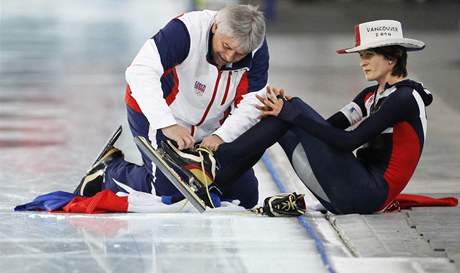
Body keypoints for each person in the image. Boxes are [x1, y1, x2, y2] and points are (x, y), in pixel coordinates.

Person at [165, 19, 433, 214]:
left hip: (366, 195)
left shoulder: (404, 98)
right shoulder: (371, 95)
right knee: (285, 112)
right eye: (361, 55)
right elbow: (325, 129)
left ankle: (215, 166)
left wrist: (293, 112)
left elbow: (348, 142)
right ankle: (214, 182)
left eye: (369, 55)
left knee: (291, 112)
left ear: (392, 58)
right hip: (351, 188)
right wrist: (287, 108)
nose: (362, 62)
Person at [74, 4, 269, 209]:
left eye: (239, 54)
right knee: (168, 191)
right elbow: (140, 72)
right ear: (215, 27)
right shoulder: (185, 31)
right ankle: (108, 171)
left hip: (211, 126)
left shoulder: (255, 48)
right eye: (227, 47)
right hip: (159, 113)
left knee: (246, 196)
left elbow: (253, 101)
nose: (229, 57)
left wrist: (222, 136)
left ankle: (203, 183)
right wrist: (167, 124)